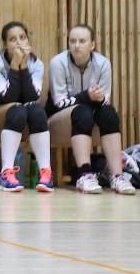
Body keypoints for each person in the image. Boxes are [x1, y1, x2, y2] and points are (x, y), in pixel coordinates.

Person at [46, 24, 136, 195]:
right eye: (72, 41)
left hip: (87, 113)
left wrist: (100, 97)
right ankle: (84, 174)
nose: (76, 45)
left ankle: (117, 176)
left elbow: (104, 100)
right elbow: (59, 103)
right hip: (57, 118)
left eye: (82, 41)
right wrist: (86, 96)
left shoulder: (103, 63)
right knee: (83, 112)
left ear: (92, 45)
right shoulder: (58, 63)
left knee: (109, 113)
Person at [0, 21, 52, 193]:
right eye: (12, 39)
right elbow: (8, 97)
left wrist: (23, 66)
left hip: (21, 116)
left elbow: (32, 97)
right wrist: (14, 65)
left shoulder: (36, 64)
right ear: (4, 44)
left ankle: (46, 172)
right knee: (17, 109)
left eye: (22, 37)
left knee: (37, 110)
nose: (19, 43)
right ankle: (6, 173)